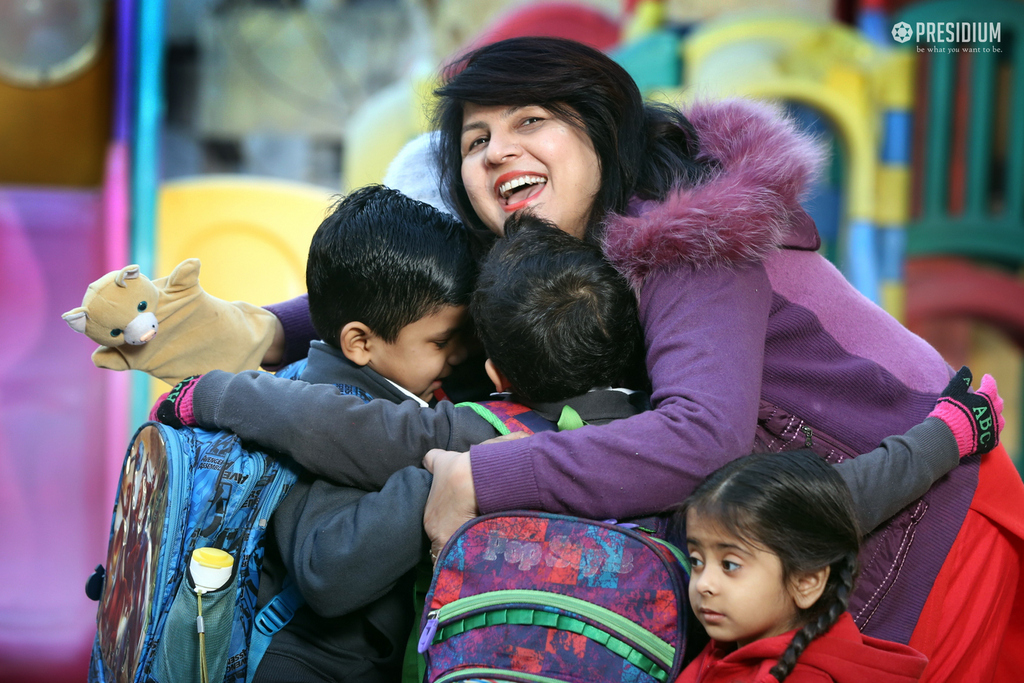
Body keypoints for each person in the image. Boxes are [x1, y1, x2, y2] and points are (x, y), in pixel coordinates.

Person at [164, 37, 1023, 682]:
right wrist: (262, 331)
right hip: (783, 537)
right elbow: (433, 291)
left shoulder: (693, 236)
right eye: (475, 140)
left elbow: (700, 436)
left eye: (530, 122)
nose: (497, 150)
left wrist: (485, 476)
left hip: (924, 531)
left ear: (604, 132)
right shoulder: (559, 238)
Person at [247, 185, 475, 682]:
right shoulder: (332, 418)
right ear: (361, 342)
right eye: (440, 341)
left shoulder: (377, 389)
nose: (457, 356)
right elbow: (326, 573)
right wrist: (436, 475)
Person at [675, 450, 927, 683]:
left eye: (730, 564)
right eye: (697, 560)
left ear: (806, 581)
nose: (704, 584)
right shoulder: (730, 641)